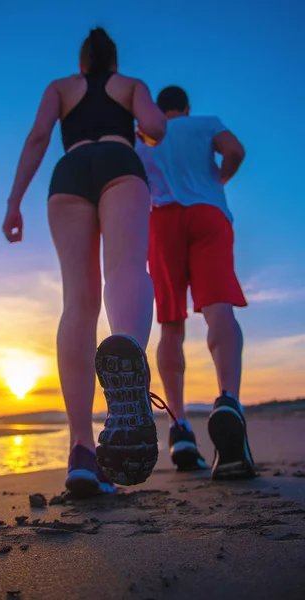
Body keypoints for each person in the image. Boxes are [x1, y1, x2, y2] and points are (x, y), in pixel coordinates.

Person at [2, 28, 168, 495]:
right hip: (120, 161)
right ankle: (128, 364)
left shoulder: (61, 88)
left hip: (70, 170)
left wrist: (14, 202)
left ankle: (80, 451)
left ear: (82, 63)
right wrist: (141, 127)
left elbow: (38, 138)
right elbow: (156, 128)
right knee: (127, 268)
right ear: (113, 63)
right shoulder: (129, 85)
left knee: (78, 300)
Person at [137, 86, 257, 480]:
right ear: (187, 107)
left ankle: (180, 428)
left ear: (160, 108)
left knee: (170, 324)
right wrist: (218, 179)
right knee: (219, 308)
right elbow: (236, 150)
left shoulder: (146, 135)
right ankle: (228, 403)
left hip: (163, 221)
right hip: (208, 214)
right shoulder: (205, 124)